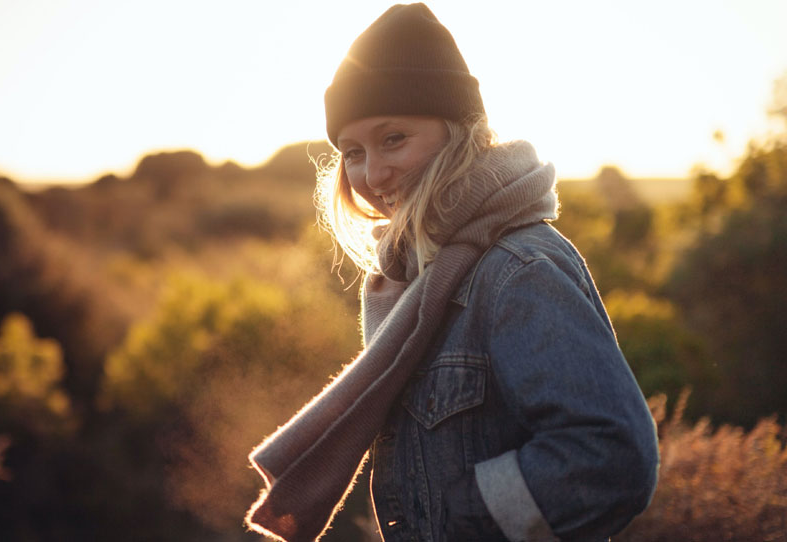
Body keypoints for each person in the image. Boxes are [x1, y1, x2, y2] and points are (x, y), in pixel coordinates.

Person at [245, 4, 659, 542]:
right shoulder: (413, 278)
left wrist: (464, 516)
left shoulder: (518, 270)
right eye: (353, 152)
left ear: (458, 133)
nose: (373, 174)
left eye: (394, 139)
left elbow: (610, 455)